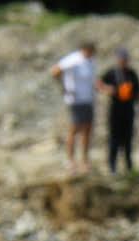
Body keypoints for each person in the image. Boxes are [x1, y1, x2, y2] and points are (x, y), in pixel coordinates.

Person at [51, 42, 96, 174]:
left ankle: (85, 160)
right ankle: (70, 160)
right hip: (76, 100)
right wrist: (64, 87)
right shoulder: (74, 59)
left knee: (87, 129)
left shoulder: (91, 61)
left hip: (88, 100)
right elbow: (55, 71)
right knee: (75, 128)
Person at [97, 47, 139, 174]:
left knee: (128, 139)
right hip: (115, 109)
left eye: (125, 59)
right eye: (121, 59)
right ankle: (112, 166)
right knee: (114, 138)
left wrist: (137, 98)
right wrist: (107, 89)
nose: (123, 61)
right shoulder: (112, 73)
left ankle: (128, 166)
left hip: (128, 109)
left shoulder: (132, 74)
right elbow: (98, 83)